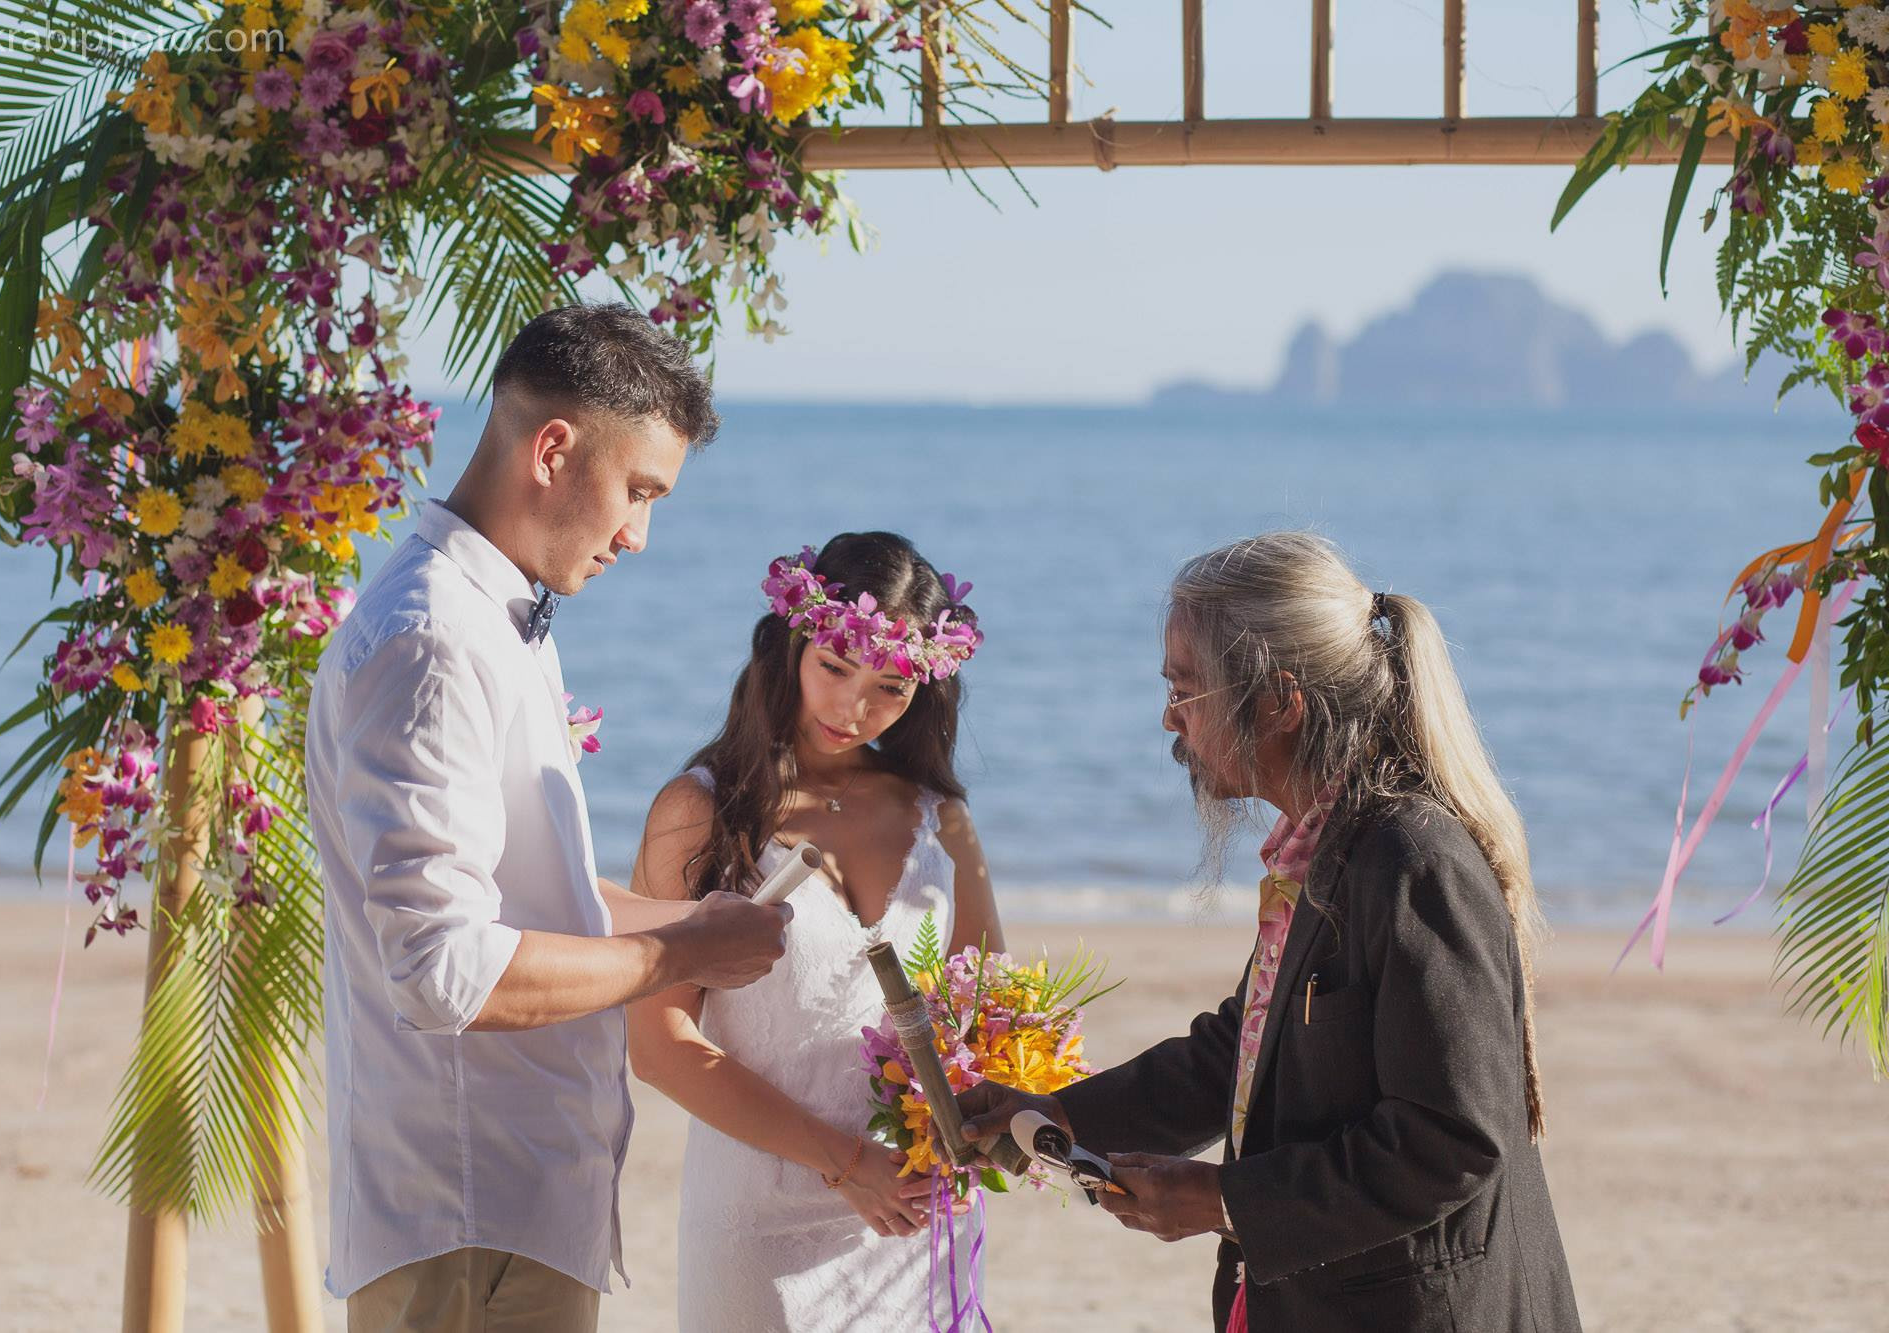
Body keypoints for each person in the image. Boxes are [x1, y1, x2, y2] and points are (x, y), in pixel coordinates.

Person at [305, 305, 792, 1333]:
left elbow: (536, 899)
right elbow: (445, 971)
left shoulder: (493, 620)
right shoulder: (433, 641)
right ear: (555, 449)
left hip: (505, 1213)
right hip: (468, 1216)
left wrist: (685, 927)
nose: (638, 536)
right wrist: (681, 953)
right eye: (638, 491)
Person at [957, 531, 1581, 1332]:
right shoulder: (1328, 847)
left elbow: (1450, 1139)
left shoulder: (1410, 858)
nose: (1169, 718)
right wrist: (1059, 1119)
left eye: (1188, 689)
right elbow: (1245, 1052)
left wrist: (1224, 1198)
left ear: (1281, 702)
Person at [625, 532, 1003, 1332]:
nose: (852, 707)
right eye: (834, 667)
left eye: (891, 686)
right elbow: (658, 1048)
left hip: (916, 1217)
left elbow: (989, 1013)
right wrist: (846, 1164)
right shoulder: (700, 812)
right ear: (792, 644)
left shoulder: (941, 820)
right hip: (761, 1227)